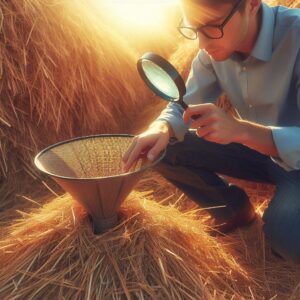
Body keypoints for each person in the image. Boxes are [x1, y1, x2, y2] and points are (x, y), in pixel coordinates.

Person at [122, 0, 300, 263]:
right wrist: (161, 127)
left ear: (251, 4)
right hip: (256, 152)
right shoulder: (214, 48)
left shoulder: (296, 36)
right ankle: (234, 210)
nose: (202, 45)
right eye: (194, 29)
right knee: (162, 146)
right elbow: (184, 103)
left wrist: (241, 131)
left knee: (285, 236)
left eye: (213, 27)